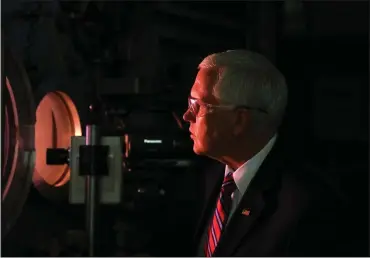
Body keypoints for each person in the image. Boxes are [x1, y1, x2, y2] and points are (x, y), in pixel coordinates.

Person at [182, 50, 346, 256]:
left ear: (239, 120)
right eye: (190, 103)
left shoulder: (308, 205)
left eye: (198, 105)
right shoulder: (203, 178)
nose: (187, 115)